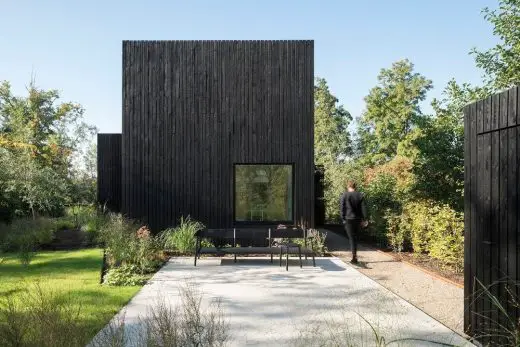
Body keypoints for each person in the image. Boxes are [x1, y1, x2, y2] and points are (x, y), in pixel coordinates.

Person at [339, 180, 368, 264]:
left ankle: (354, 257)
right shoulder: (360, 195)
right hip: (358, 219)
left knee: (351, 238)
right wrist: (365, 219)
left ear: (348, 186)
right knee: (355, 237)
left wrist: (343, 219)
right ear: (355, 186)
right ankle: (354, 255)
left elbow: (342, 208)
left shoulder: (345, 195)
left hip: (348, 219)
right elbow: (364, 208)